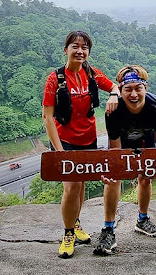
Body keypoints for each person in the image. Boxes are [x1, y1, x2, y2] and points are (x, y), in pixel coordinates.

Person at [42, 31, 120, 259]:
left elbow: (114, 86)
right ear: (65, 50)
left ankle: (75, 223)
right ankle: (68, 234)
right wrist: (60, 153)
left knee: (81, 185)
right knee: (71, 187)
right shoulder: (55, 78)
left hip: (89, 140)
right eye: (75, 46)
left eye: (85, 47)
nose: (80, 51)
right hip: (65, 142)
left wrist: (114, 95)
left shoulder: (92, 74)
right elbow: (48, 118)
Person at [95, 65, 156, 256]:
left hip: (147, 143)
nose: (134, 94)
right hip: (123, 146)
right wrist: (113, 169)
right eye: (128, 89)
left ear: (146, 87)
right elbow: (115, 147)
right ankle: (108, 229)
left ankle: (142, 220)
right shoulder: (113, 110)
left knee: (146, 178)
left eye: (138, 88)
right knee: (114, 179)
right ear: (120, 90)